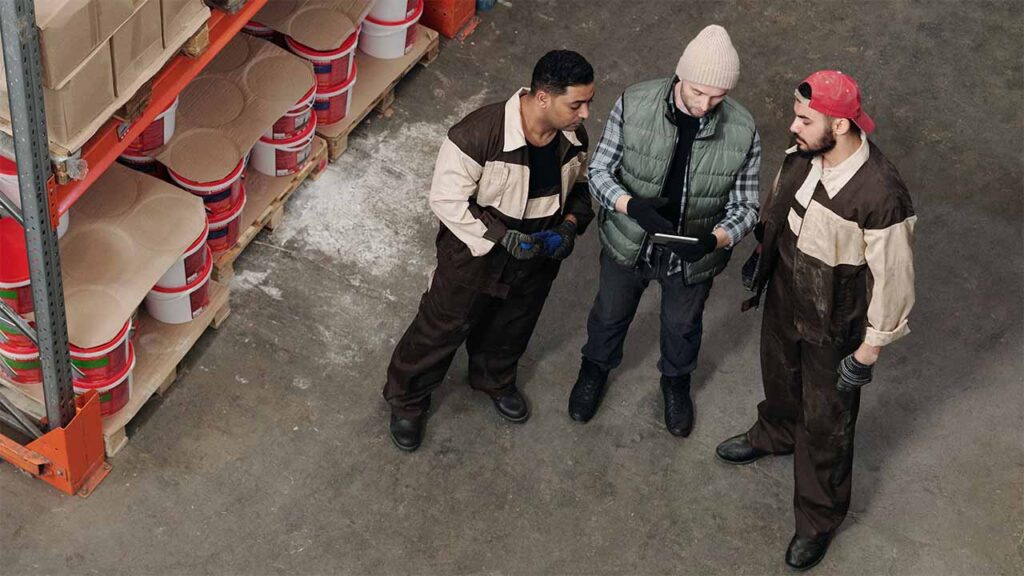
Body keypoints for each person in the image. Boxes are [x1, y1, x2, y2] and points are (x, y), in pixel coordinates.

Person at [716, 70, 916, 571]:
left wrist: (868, 351)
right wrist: (762, 252)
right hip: (786, 293)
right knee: (780, 380)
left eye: (804, 118)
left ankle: (818, 518)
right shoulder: (806, 152)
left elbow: (894, 281)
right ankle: (776, 434)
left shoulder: (881, 194)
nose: (793, 125)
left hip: (835, 323)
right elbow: (782, 202)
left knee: (827, 424)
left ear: (843, 125)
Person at [383, 50, 596, 452]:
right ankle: (408, 400)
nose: (584, 113)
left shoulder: (572, 138)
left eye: (588, 103)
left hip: (537, 256)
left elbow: (581, 188)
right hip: (475, 258)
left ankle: (493, 378)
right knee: (441, 327)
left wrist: (569, 227)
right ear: (544, 97)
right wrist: (501, 236)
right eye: (576, 104)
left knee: (512, 325)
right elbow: (446, 200)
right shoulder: (478, 134)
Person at [568, 25, 761, 437]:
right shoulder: (634, 103)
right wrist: (630, 205)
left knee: (682, 326)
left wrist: (716, 239)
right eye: (697, 92)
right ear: (680, 76)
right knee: (609, 314)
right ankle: (594, 370)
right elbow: (599, 170)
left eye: (718, 96)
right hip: (629, 240)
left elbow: (746, 206)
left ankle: (676, 382)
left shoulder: (743, 130)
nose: (705, 105)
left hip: (693, 252)